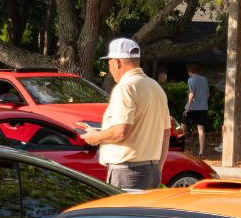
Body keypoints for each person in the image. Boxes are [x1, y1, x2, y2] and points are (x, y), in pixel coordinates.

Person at [79, 37, 170, 190]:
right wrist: (157, 169)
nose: (110, 69)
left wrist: (96, 137)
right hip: (152, 170)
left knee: (121, 214)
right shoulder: (155, 87)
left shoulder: (125, 87)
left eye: (109, 63)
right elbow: (166, 133)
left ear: (117, 62)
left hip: (127, 172)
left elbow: (121, 131)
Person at [182, 65, 210, 155]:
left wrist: (188, 108)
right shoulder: (204, 79)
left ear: (189, 71)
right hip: (203, 108)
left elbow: (191, 94)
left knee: (183, 126)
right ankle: (201, 151)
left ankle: (180, 147)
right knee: (201, 129)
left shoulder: (191, 80)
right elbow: (208, 95)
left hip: (192, 108)